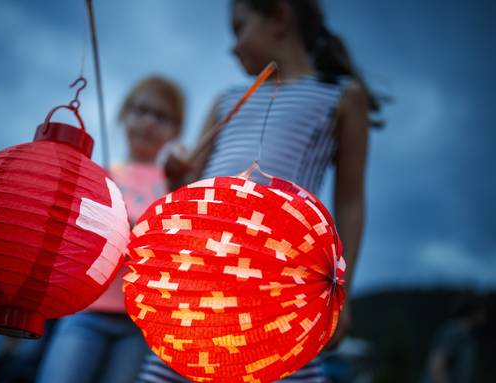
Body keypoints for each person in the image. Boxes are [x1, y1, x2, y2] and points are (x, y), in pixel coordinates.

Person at [140, 0, 383, 382]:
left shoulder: (340, 96)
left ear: (279, 16)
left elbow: (350, 200)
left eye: (239, 28)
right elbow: (189, 194)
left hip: (282, 286)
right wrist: (175, 177)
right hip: (198, 278)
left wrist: (342, 294)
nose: (233, 45)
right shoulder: (227, 101)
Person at [36, 76, 186, 383]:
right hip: (86, 309)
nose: (148, 122)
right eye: (141, 110)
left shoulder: (174, 182)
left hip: (138, 323)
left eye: (161, 117)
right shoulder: (101, 174)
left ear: (176, 129)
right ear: (123, 114)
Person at [421, 297, 487, 383]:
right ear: (474, 311)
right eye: (483, 311)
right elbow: (436, 365)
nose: (485, 315)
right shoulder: (453, 331)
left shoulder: (466, 337)